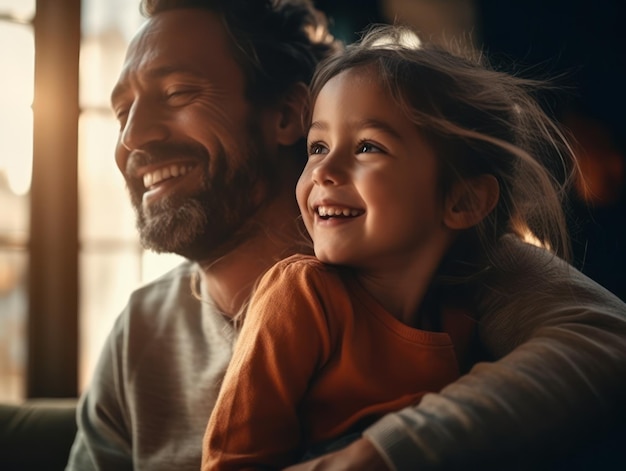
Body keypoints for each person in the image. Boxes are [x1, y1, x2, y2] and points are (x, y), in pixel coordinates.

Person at [65, 1, 626, 470]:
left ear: (287, 114)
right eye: (122, 114)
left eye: (179, 92)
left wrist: (375, 456)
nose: (134, 137)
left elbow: (607, 339)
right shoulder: (136, 334)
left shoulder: (450, 256)